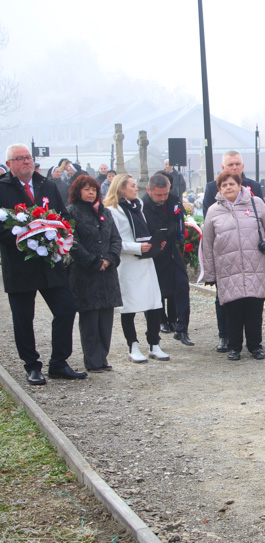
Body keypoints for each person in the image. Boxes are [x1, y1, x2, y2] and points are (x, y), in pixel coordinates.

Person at [0, 144, 86, 384]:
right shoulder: (2, 188)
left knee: (66, 308)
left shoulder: (47, 185)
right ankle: (32, 365)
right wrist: (28, 239)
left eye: (28, 157)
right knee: (23, 317)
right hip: (19, 264)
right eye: (20, 158)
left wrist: (60, 234)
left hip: (49, 263)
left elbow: (63, 216)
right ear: (9, 164)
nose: (26, 162)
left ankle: (59, 362)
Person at [201, 172, 265, 361]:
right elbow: (207, 244)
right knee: (233, 310)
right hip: (229, 268)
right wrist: (210, 275)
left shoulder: (256, 203)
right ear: (219, 189)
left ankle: (255, 346)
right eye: (224, 185)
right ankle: (234, 347)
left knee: (254, 309)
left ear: (239, 185)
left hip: (255, 265)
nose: (228, 187)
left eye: (231, 184)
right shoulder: (213, 211)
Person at [104, 174, 170, 363]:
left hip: (146, 260)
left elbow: (144, 231)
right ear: (122, 188)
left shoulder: (138, 206)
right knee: (129, 306)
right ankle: (132, 345)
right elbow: (115, 241)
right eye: (132, 186)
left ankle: (154, 344)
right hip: (128, 264)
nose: (136, 188)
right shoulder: (112, 210)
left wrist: (154, 244)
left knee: (154, 303)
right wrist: (137, 247)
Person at [202, 151, 264, 351]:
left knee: (253, 301)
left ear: (243, 166)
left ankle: (254, 343)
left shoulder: (253, 187)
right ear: (223, 167)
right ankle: (225, 336)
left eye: (237, 163)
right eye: (230, 164)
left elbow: (262, 220)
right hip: (226, 256)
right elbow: (208, 224)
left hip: (250, 254)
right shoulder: (212, 188)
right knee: (226, 300)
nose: (234, 167)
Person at [66, 175, 123, 372]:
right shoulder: (71, 212)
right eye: (86, 189)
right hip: (85, 274)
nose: (90, 193)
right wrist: (93, 261)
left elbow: (116, 238)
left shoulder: (105, 212)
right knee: (90, 320)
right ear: (78, 191)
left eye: (93, 189)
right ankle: (92, 360)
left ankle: (103, 357)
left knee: (106, 319)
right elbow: (71, 241)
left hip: (107, 273)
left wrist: (109, 259)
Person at [142, 172, 194, 346]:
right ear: (149, 190)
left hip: (171, 250)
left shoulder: (173, 200)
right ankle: (155, 331)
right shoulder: (143, 205)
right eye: (159, 195)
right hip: (153, 254)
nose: (163, 198)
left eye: (165, 193)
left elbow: (178, 222)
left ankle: (182, 329)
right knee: (153, 294)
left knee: (182, 285)